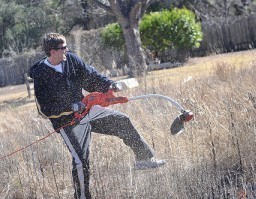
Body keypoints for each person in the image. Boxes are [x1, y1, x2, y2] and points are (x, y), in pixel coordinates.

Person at [29, 33, 165, 199]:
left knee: (121, 121)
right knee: (81, 162)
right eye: (63, 47)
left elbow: (90, 76)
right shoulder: (40, 74)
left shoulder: (71, 60)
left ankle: (144, 159)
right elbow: (44, 109)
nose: (67, 50)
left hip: (87, 111)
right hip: (68, 122)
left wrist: (109, 85)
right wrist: (70, 107)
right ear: (52, 51)